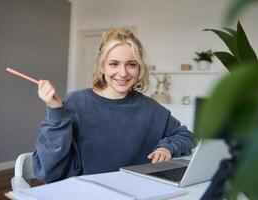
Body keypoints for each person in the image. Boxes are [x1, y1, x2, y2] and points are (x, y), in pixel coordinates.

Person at [33, 28, 196, 183]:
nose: (123, 73)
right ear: (101, 66)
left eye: (131, 64)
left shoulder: (151, 108)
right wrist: (55, 110)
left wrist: (167, 148)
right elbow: (47, 168)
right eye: (114, 64)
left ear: (139, 68)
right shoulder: (76, 101)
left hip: (137, 192)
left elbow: (186, 136)